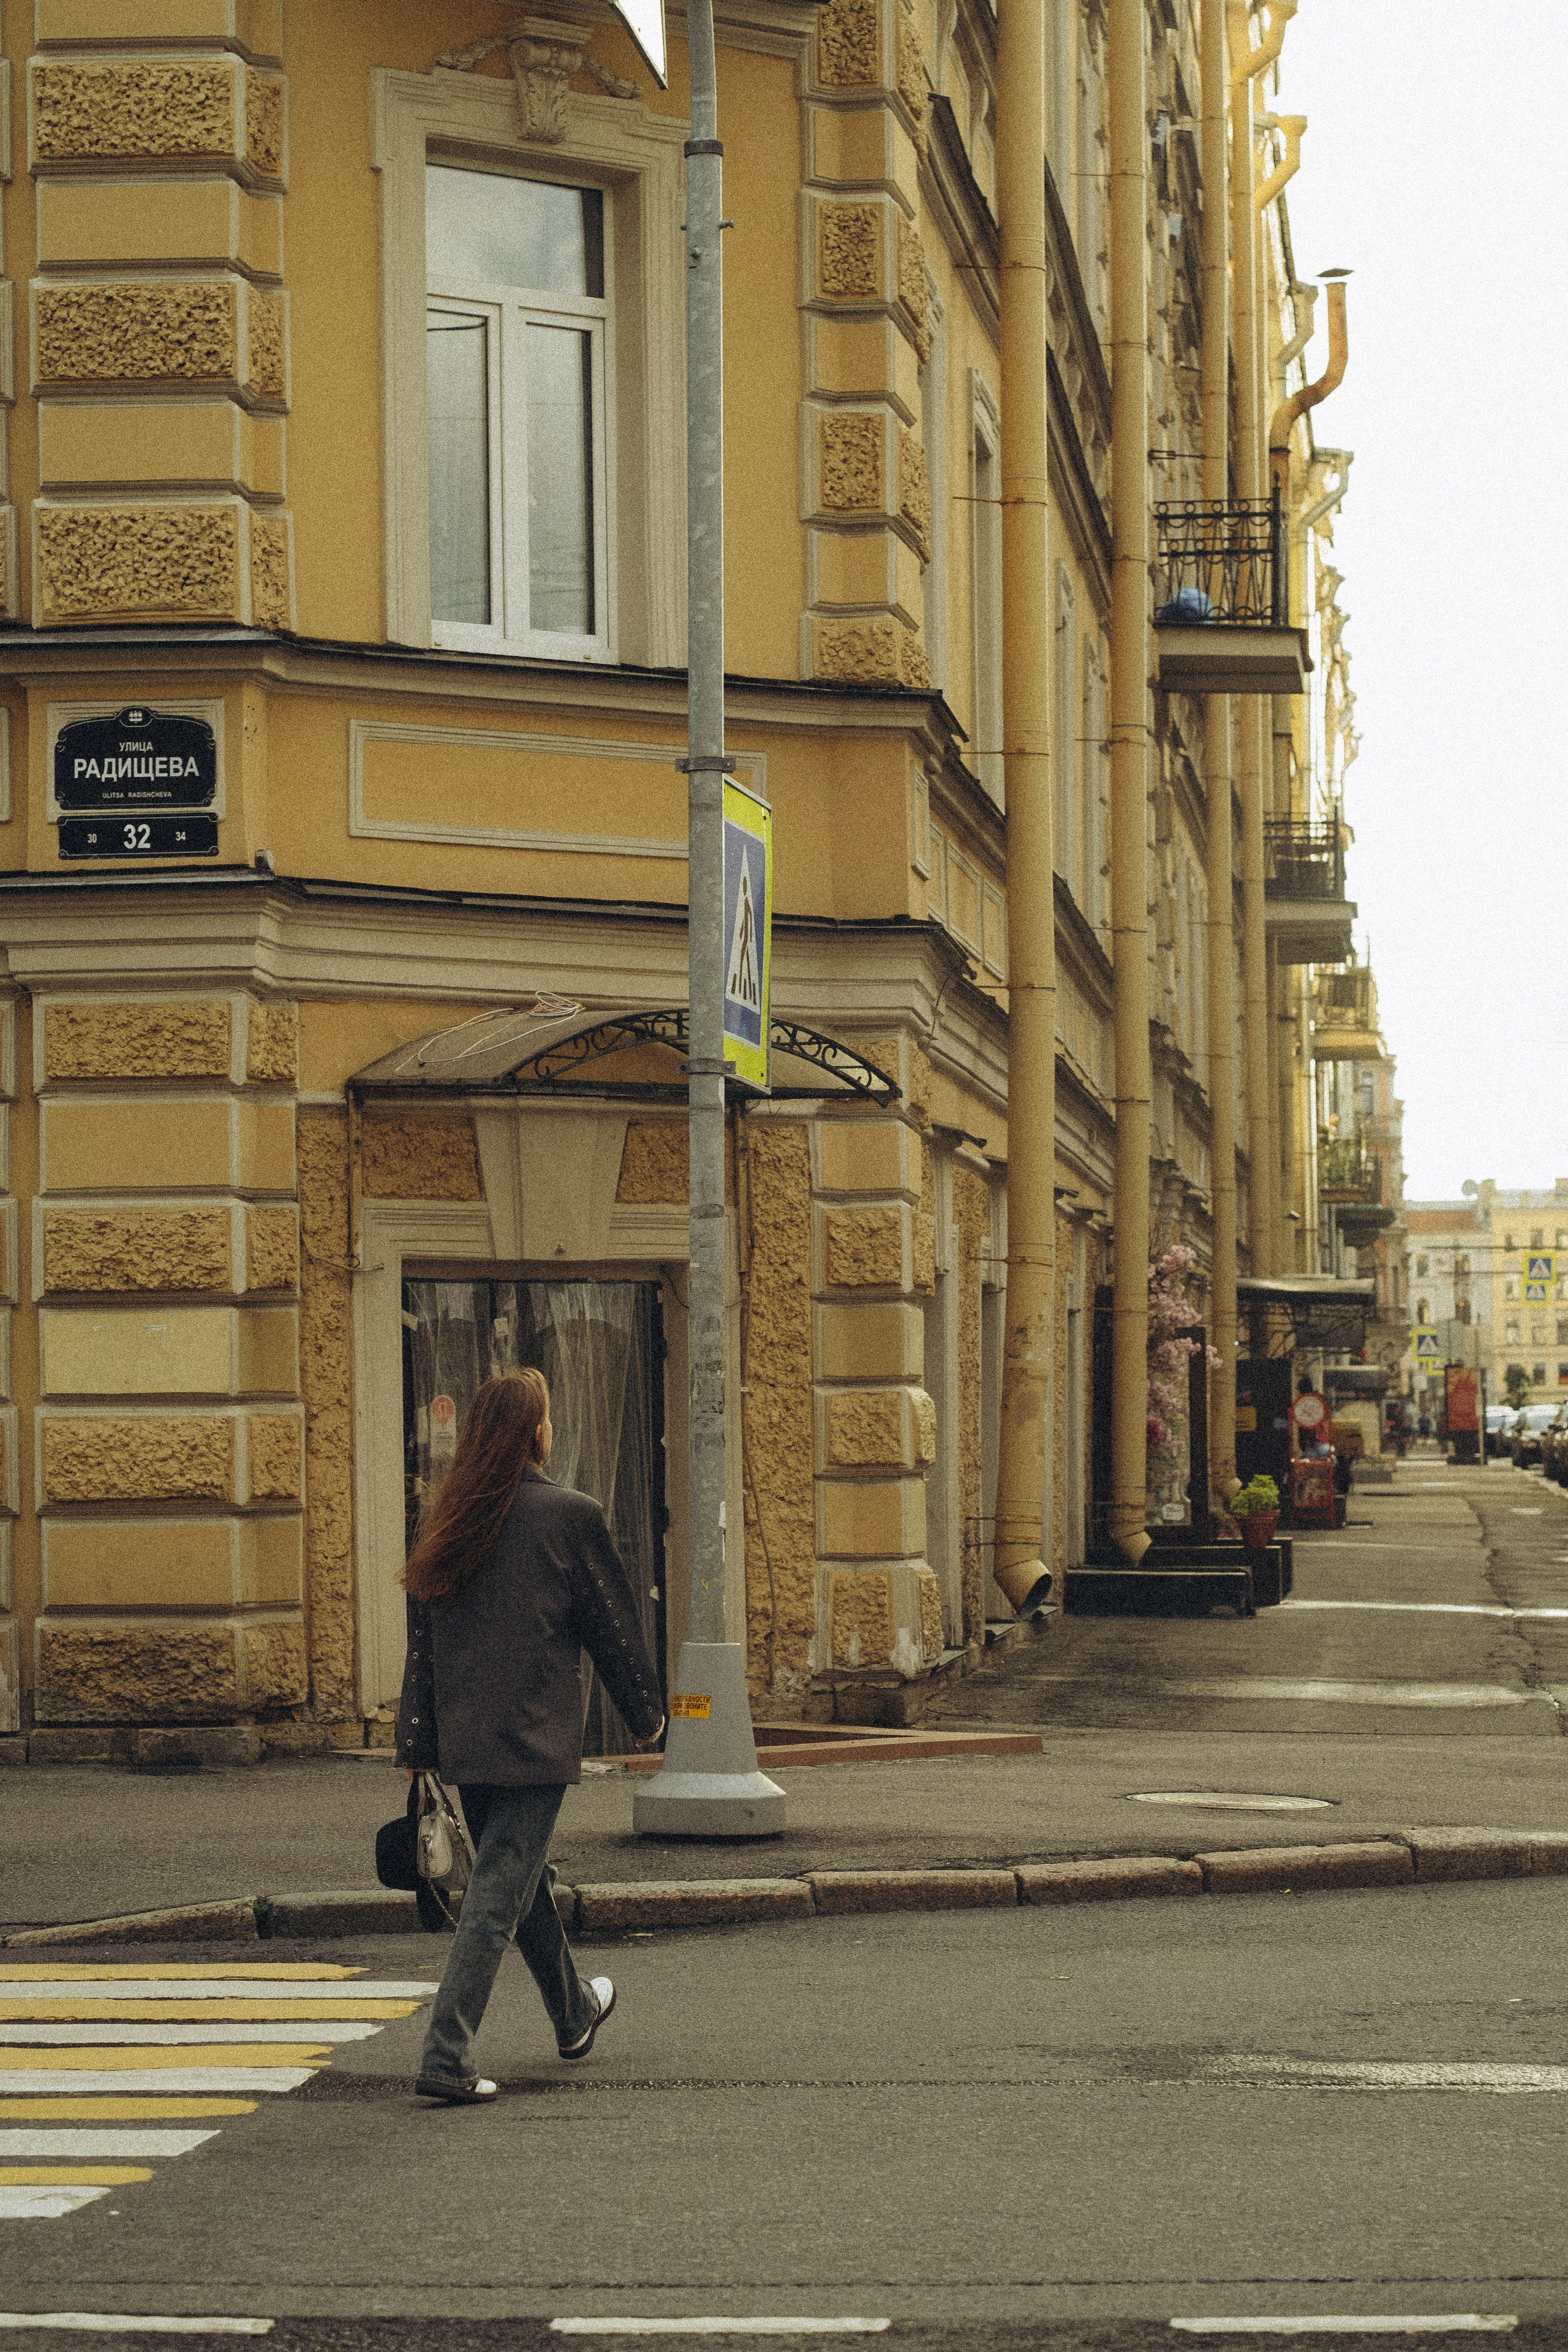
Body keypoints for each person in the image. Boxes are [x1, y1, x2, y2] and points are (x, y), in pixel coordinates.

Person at [395, 1368, 665, 2105]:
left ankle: (573, 2012)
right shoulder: (570, 1515)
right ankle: (446, 2053)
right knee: (495, 1893)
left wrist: (417, 1744)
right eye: (546, 1418)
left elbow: (423, 1642)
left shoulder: (448, 1516)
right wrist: (648, 1715)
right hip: (535, 1738)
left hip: (466, 1741)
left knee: (516, 1880)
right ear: (535, 1435)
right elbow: (610, 1624)